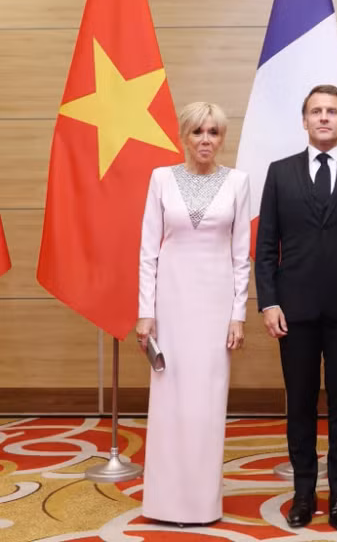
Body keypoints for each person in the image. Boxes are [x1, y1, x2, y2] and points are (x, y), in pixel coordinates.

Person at [255, 84, 337, 530]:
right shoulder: (280, 172)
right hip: (293, 312)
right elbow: (266, 245)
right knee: (300, 404)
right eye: (317, 111)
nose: (325, 117)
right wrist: (268, 301)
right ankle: (303, 494)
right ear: (305, 120)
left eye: (333, 111)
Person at [136, 102, 251, 525]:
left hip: (216, 304)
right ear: (184, 136)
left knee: (207, 402)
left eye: (214, 132)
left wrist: (237, 314)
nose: (206, 140)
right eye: (198, 132)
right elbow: (148, 251)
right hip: (170, 302)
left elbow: (242, 256)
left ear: (223, 139)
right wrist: (144, 312)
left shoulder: (239, 182)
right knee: (169, 400)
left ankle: (203, 504)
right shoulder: (161, 179)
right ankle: (164, 503)